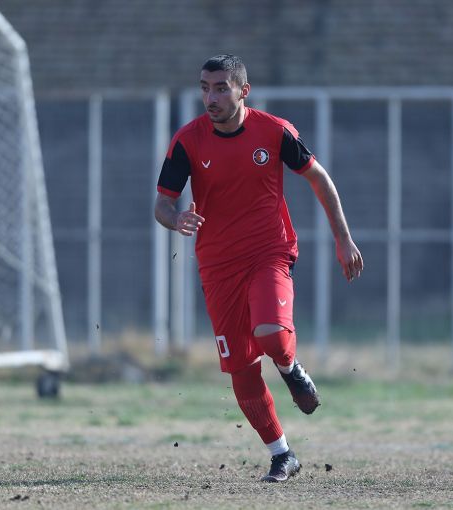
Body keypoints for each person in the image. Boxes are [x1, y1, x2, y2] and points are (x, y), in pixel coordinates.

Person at [154, 54, 363, 482]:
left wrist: (343, 239)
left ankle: (290, 368)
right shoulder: (188, 140)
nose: (210, 98)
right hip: (217, 264)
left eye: (221, 88)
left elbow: (319, 179)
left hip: (270, 251)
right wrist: (175, 219)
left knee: (270, 333)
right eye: (205, 88)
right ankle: (282, 454)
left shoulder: (274, 131)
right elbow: (162, 203)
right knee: (241, 368)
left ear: (243, 91)